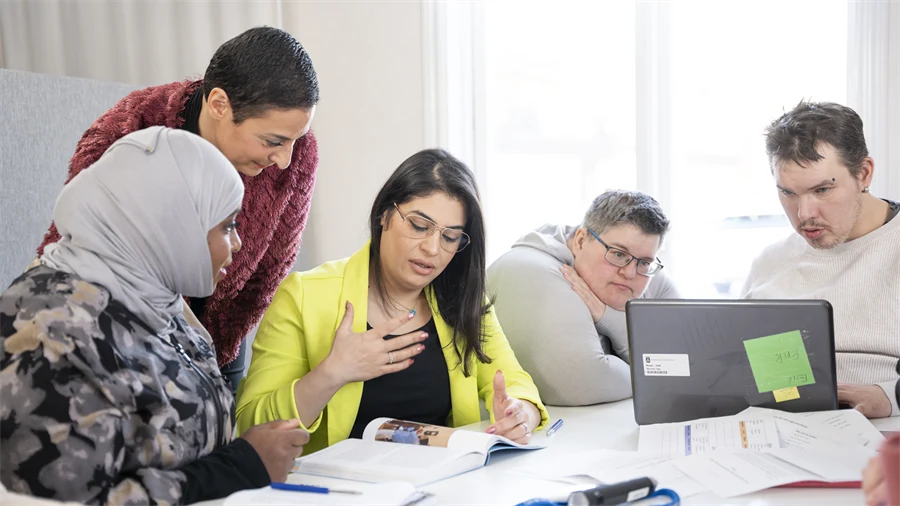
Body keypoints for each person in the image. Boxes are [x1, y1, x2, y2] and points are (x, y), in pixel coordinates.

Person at [0, 128, 309, 505]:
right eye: (226, 226)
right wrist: (239, 468)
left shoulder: (158, 301)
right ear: (170, 223)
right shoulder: (48, 331)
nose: (238, 243)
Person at [35, 26, 320, 395]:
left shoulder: (297, 152)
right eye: (273, 142)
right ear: (219, 104)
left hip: (220, 337)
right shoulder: (131, 131)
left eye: (294, 141)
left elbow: (271, 268)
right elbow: (82, 251)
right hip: (119, 337)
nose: (284, 160)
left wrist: (210, 351)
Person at [235, 149, 548, 453]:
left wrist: (521, 414)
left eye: (450, 237)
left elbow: (515, 384)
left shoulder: (461, 299)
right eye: (419, 226)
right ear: (384, 215)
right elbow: (252, 425)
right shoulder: (305, 294)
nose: (432, 249)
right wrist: (332, 373)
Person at [743, 101, 900, 418]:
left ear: (864, 173)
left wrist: (891, 398)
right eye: (788, 193)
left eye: (822, 189)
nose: (804, 214)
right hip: (792, 427)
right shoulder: (770, 265)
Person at [487, 190, 679, 406]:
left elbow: (687, 363)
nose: (630, 273)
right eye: (618, 254)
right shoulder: (538, 272)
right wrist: (660, 371)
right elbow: (584, 382)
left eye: (644, 262)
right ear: (580, 241)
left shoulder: (653, 277)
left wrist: (608, 317)